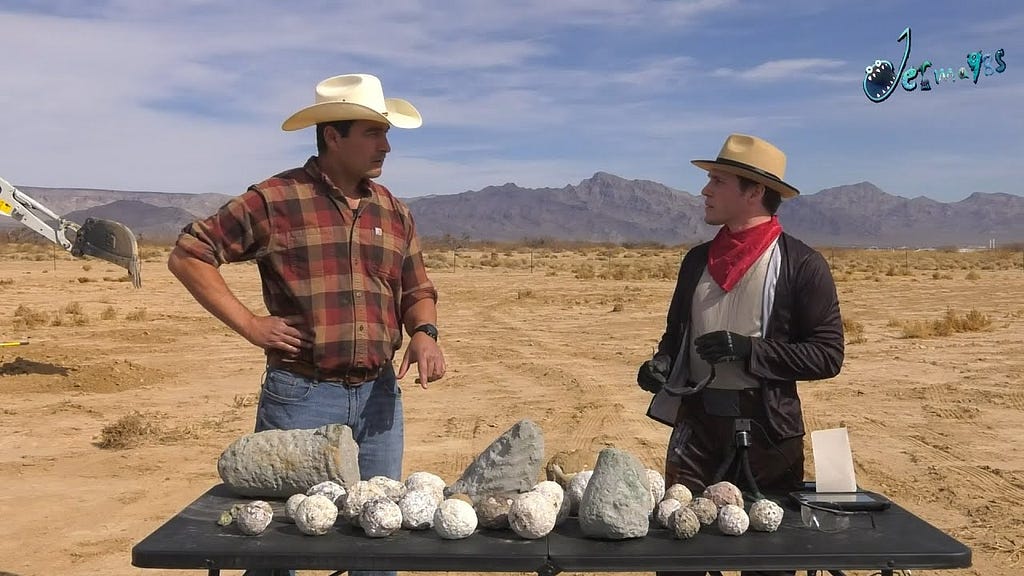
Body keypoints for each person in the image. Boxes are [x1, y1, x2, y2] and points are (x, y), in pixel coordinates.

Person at [168, 73, 445, 576]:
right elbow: (190, 254)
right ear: (332, 136)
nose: (386, 145)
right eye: (372, 132)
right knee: (276, 542)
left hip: (380, 398)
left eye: (387, 133)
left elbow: (417, 290)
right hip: (300, 395)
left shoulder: (394, 211)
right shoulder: (276, 199)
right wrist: (250, 324)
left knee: (380, 539)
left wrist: (424, 333)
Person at [638, 134, 844, 576]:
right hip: (697, 433)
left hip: (768, 439)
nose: (704, 190)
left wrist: (752, 351)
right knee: (680, 556)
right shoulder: (695, 261)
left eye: (717, 180)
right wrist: (661, 366)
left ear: (754, 191)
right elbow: (675, 338)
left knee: (767, 561)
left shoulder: (801, 265)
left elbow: (828, 355)